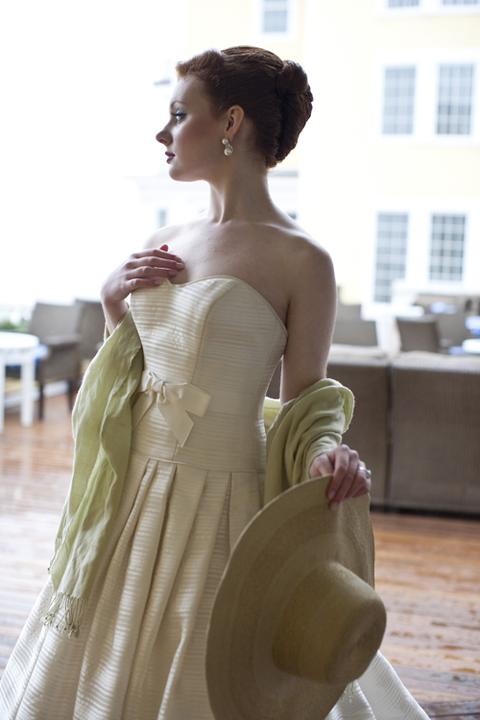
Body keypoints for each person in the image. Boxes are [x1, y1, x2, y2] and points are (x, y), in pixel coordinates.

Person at [0, 46, 429, 719]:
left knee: (218, 665)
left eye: (178, 115)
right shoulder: (167, 236)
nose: (162, 133)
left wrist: (325, 452)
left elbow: (307, 396)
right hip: (130, 490)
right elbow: (134, 369)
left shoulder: (303, 259)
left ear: (231, 122)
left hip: (224, 498)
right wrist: (114, 305)